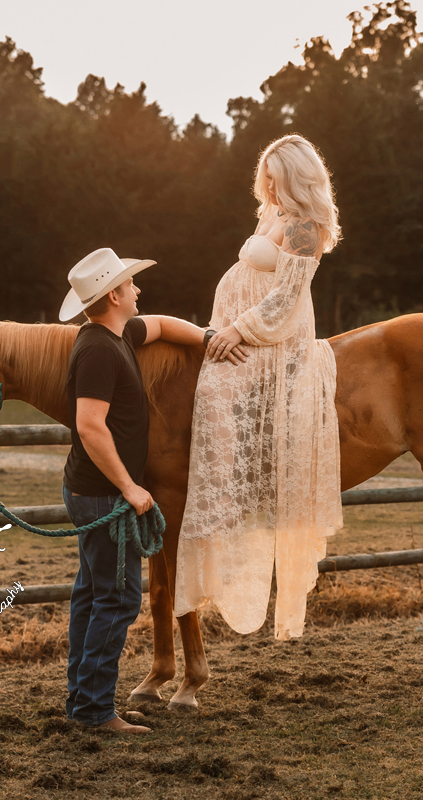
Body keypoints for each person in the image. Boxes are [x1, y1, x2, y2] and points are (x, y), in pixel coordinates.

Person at [58, 247, 243, 734]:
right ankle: (97, 712)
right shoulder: (98, 349)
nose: (138, 289)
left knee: (90, 596)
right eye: (130, 284)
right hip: (102, 494)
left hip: (91, 490)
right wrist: (131, 488)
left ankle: (82, 702)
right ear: (115, 294)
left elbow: (161, 325)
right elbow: (90, 426)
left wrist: (209, 337)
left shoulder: (116, 333)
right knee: (116, 600)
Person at [174, 134, 343, 641]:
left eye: (275, 176)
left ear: (296, 178)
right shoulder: (270, 216)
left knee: (214, 395)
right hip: (240, 329)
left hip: (274, 342)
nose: (267, 183)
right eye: (264, 175)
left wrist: (236, 330)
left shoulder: (305, 228)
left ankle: (225, 504)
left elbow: (287, 301)